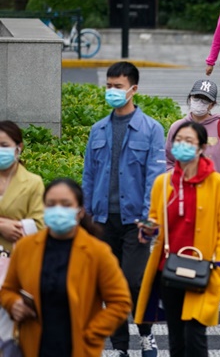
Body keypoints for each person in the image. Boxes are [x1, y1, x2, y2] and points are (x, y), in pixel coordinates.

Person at [82, 61, 165, 357]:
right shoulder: (98, 129)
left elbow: (155, 179)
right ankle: (119, 346)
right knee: (110, 285)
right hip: (102, 220)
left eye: (118, 86)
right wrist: (86, 216)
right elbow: (89, 174)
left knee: (133, 281)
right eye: (109, 86)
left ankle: (145, 333)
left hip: (136, 221)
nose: (112, 91)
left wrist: (148, 218)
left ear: (133, 89)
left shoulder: (151, 129)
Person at [135, 122, 220, 357]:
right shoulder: (163, 183)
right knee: (177, 339)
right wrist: (148, 230)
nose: (182, 145)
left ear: (201, 147)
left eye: (189, 141)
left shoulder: (217, 183)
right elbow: (155, 221)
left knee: (195, 336)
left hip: (202, 270)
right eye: (178, 140)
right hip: (168, 271)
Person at [0, 178, 131, 357]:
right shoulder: (26, 247)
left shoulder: (97, 252)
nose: (58, 210)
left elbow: (120, 303)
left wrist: (92, 333)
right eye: (51, 204)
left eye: (66, 204)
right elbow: (8, 290)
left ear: (80, 212)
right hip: (33, 347)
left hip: (78, 348)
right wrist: (13, 304)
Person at [0, 120, 44, 342]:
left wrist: (15, 228)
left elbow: (38, 225)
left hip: (16, 265)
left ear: (18, 147)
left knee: (12, 336)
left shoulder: (32, 183)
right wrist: (3, 225)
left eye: (3, 144)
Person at [165, 79, 220, 193]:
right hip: (182, 192)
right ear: (190, 98)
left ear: (212, 104)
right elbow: (168, 160)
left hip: (213, 193)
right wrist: (176, 182)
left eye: (205, 100)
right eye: (196, 98)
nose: (199, 102)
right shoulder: (177, 127)